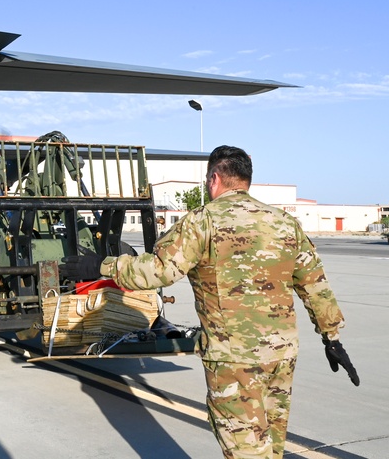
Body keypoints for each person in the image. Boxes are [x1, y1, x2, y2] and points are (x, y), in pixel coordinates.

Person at [60, 145, 358, 459]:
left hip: (234, 359)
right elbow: (315, 285)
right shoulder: (284, 222)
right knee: (270, 444)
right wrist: (332, 337)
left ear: (214, 178)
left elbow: (157, 272)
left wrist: (102, 266)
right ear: (246, 180)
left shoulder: (202, 221)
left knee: (245, 448)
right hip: (281, 355)